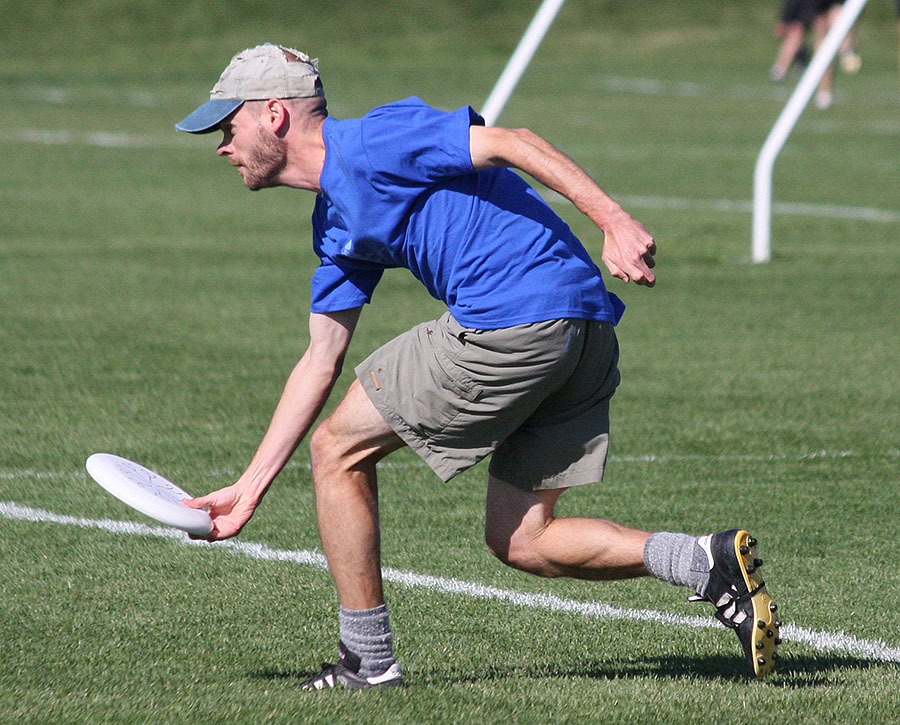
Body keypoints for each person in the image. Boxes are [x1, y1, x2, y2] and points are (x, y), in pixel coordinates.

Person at [175, 44, 781, 690]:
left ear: (273, 115)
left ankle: (367, 661)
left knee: (336, 449)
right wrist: (248, 487)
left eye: (226, 124)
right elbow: (320, 358)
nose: (220, 144)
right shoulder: (334, 225)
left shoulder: (376, 139)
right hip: (583, 326)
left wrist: (613, 219)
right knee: (521, 538)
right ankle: (702, 562)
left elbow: (510, 141)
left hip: (515, 315)